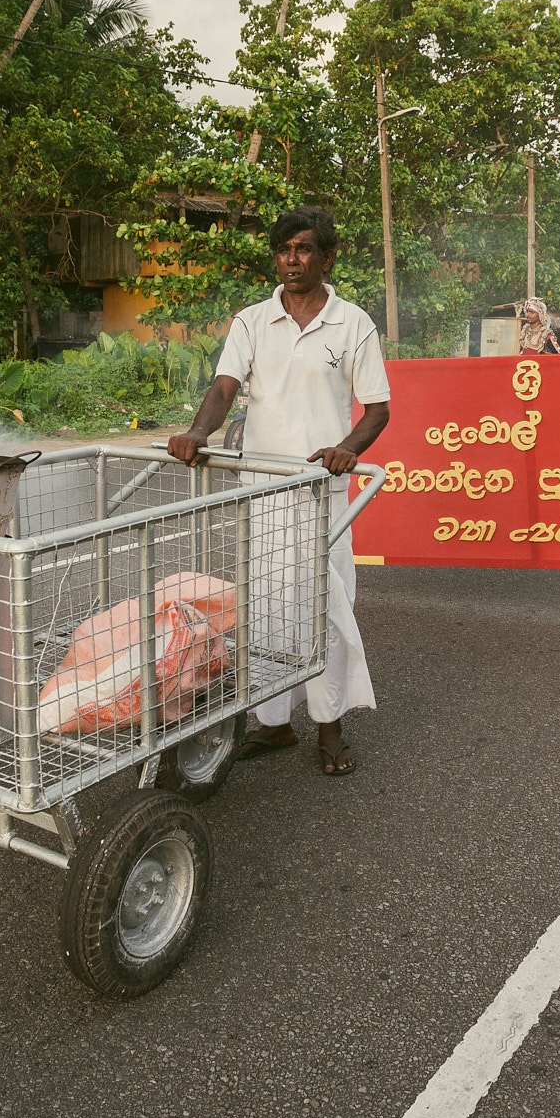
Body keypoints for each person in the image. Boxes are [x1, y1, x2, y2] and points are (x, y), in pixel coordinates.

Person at [168, 207, 390, 776]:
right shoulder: (251, 322)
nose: (292, 260)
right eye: (284, 250)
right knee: (267, 605)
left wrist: (346, 448)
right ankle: (273, 722)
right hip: (262, 489)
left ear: (327, 258)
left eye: (304, 249)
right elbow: (224, 388)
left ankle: (330, 725)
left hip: (320, 491)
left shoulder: (353, 324)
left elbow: (377, 409)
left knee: (325, 605)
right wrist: (199, 432)